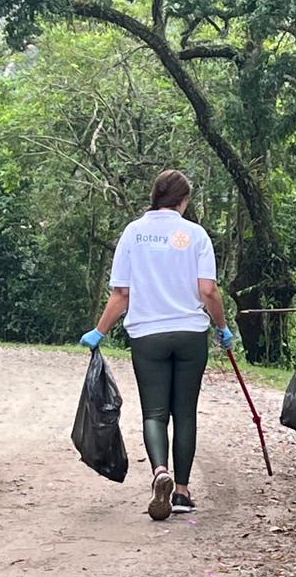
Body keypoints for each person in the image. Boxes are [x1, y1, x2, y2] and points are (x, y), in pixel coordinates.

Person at [79, 169, 235, 521]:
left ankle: (159, 471)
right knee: (185, 413)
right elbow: (208, 290)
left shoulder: (133, 233)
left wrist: (99, 331)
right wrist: (223, 328)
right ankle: (181, 491)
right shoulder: (195, 234)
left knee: (154, 413)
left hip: (147, 333)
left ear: (155, 196)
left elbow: (122, 294)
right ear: (183, 200)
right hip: (189, 333)